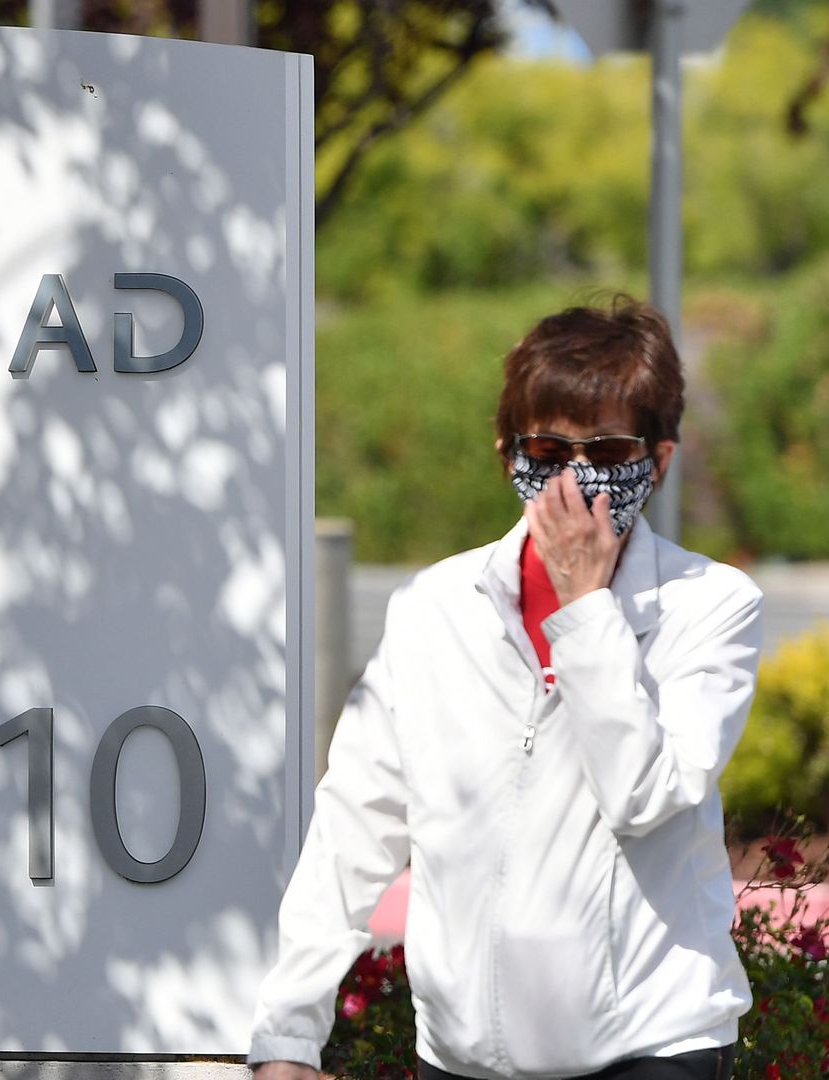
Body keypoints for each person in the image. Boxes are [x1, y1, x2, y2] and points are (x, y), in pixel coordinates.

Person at [248, 296, 761, 1080]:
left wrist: (588, 606)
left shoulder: (712, 608)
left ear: (657, 461)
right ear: (507, 454)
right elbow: (356, 823)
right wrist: (287, 1033)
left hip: (652, 1049)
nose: (577, 475)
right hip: (462, 1059)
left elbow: (643, 797)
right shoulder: (432, 609)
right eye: (549, 448)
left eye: (609, 447)